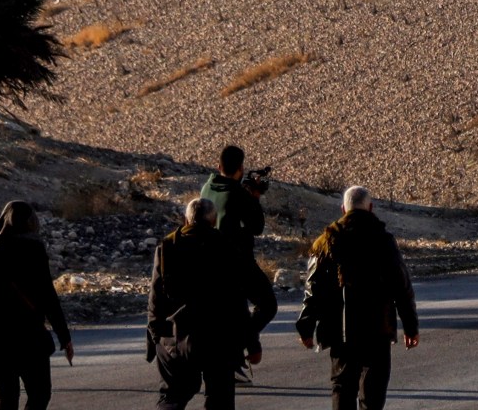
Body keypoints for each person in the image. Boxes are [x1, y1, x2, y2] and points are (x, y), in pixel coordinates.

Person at [296, 187, 419, 410]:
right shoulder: (383, 240)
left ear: (343, 209)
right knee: (372, 395)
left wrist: (306, 326)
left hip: (339, 331)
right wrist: (411, 326)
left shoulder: (326, 240)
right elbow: (401, 286)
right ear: (370, 208)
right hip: (377, 330)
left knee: (342, 389)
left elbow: (313, 288)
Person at [0, 202, 72, 410]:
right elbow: (47, 295)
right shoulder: (33, 248)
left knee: (7, 397)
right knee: (40, 394)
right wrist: (64, 336)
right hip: (29, 335)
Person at [150, 198, 246, 410]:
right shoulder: (226, 246)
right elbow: (237, 300)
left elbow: (156, 300)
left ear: (186, 219)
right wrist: (247, 340)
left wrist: (155, 337)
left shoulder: (167, 247)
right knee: (219, 400)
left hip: (174, 338)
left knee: (171, 397)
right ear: (213, 222)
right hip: (217, 339)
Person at [200, 146, 277, 380]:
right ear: (241, 168)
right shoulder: (238, 194)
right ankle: (236, 352)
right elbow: (257, 226)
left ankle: (232, 359)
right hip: (237, 263)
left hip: (211, 261)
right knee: (267, 305)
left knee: (234, 313)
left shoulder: (208, 186)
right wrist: (254, 196)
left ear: (218, 165)